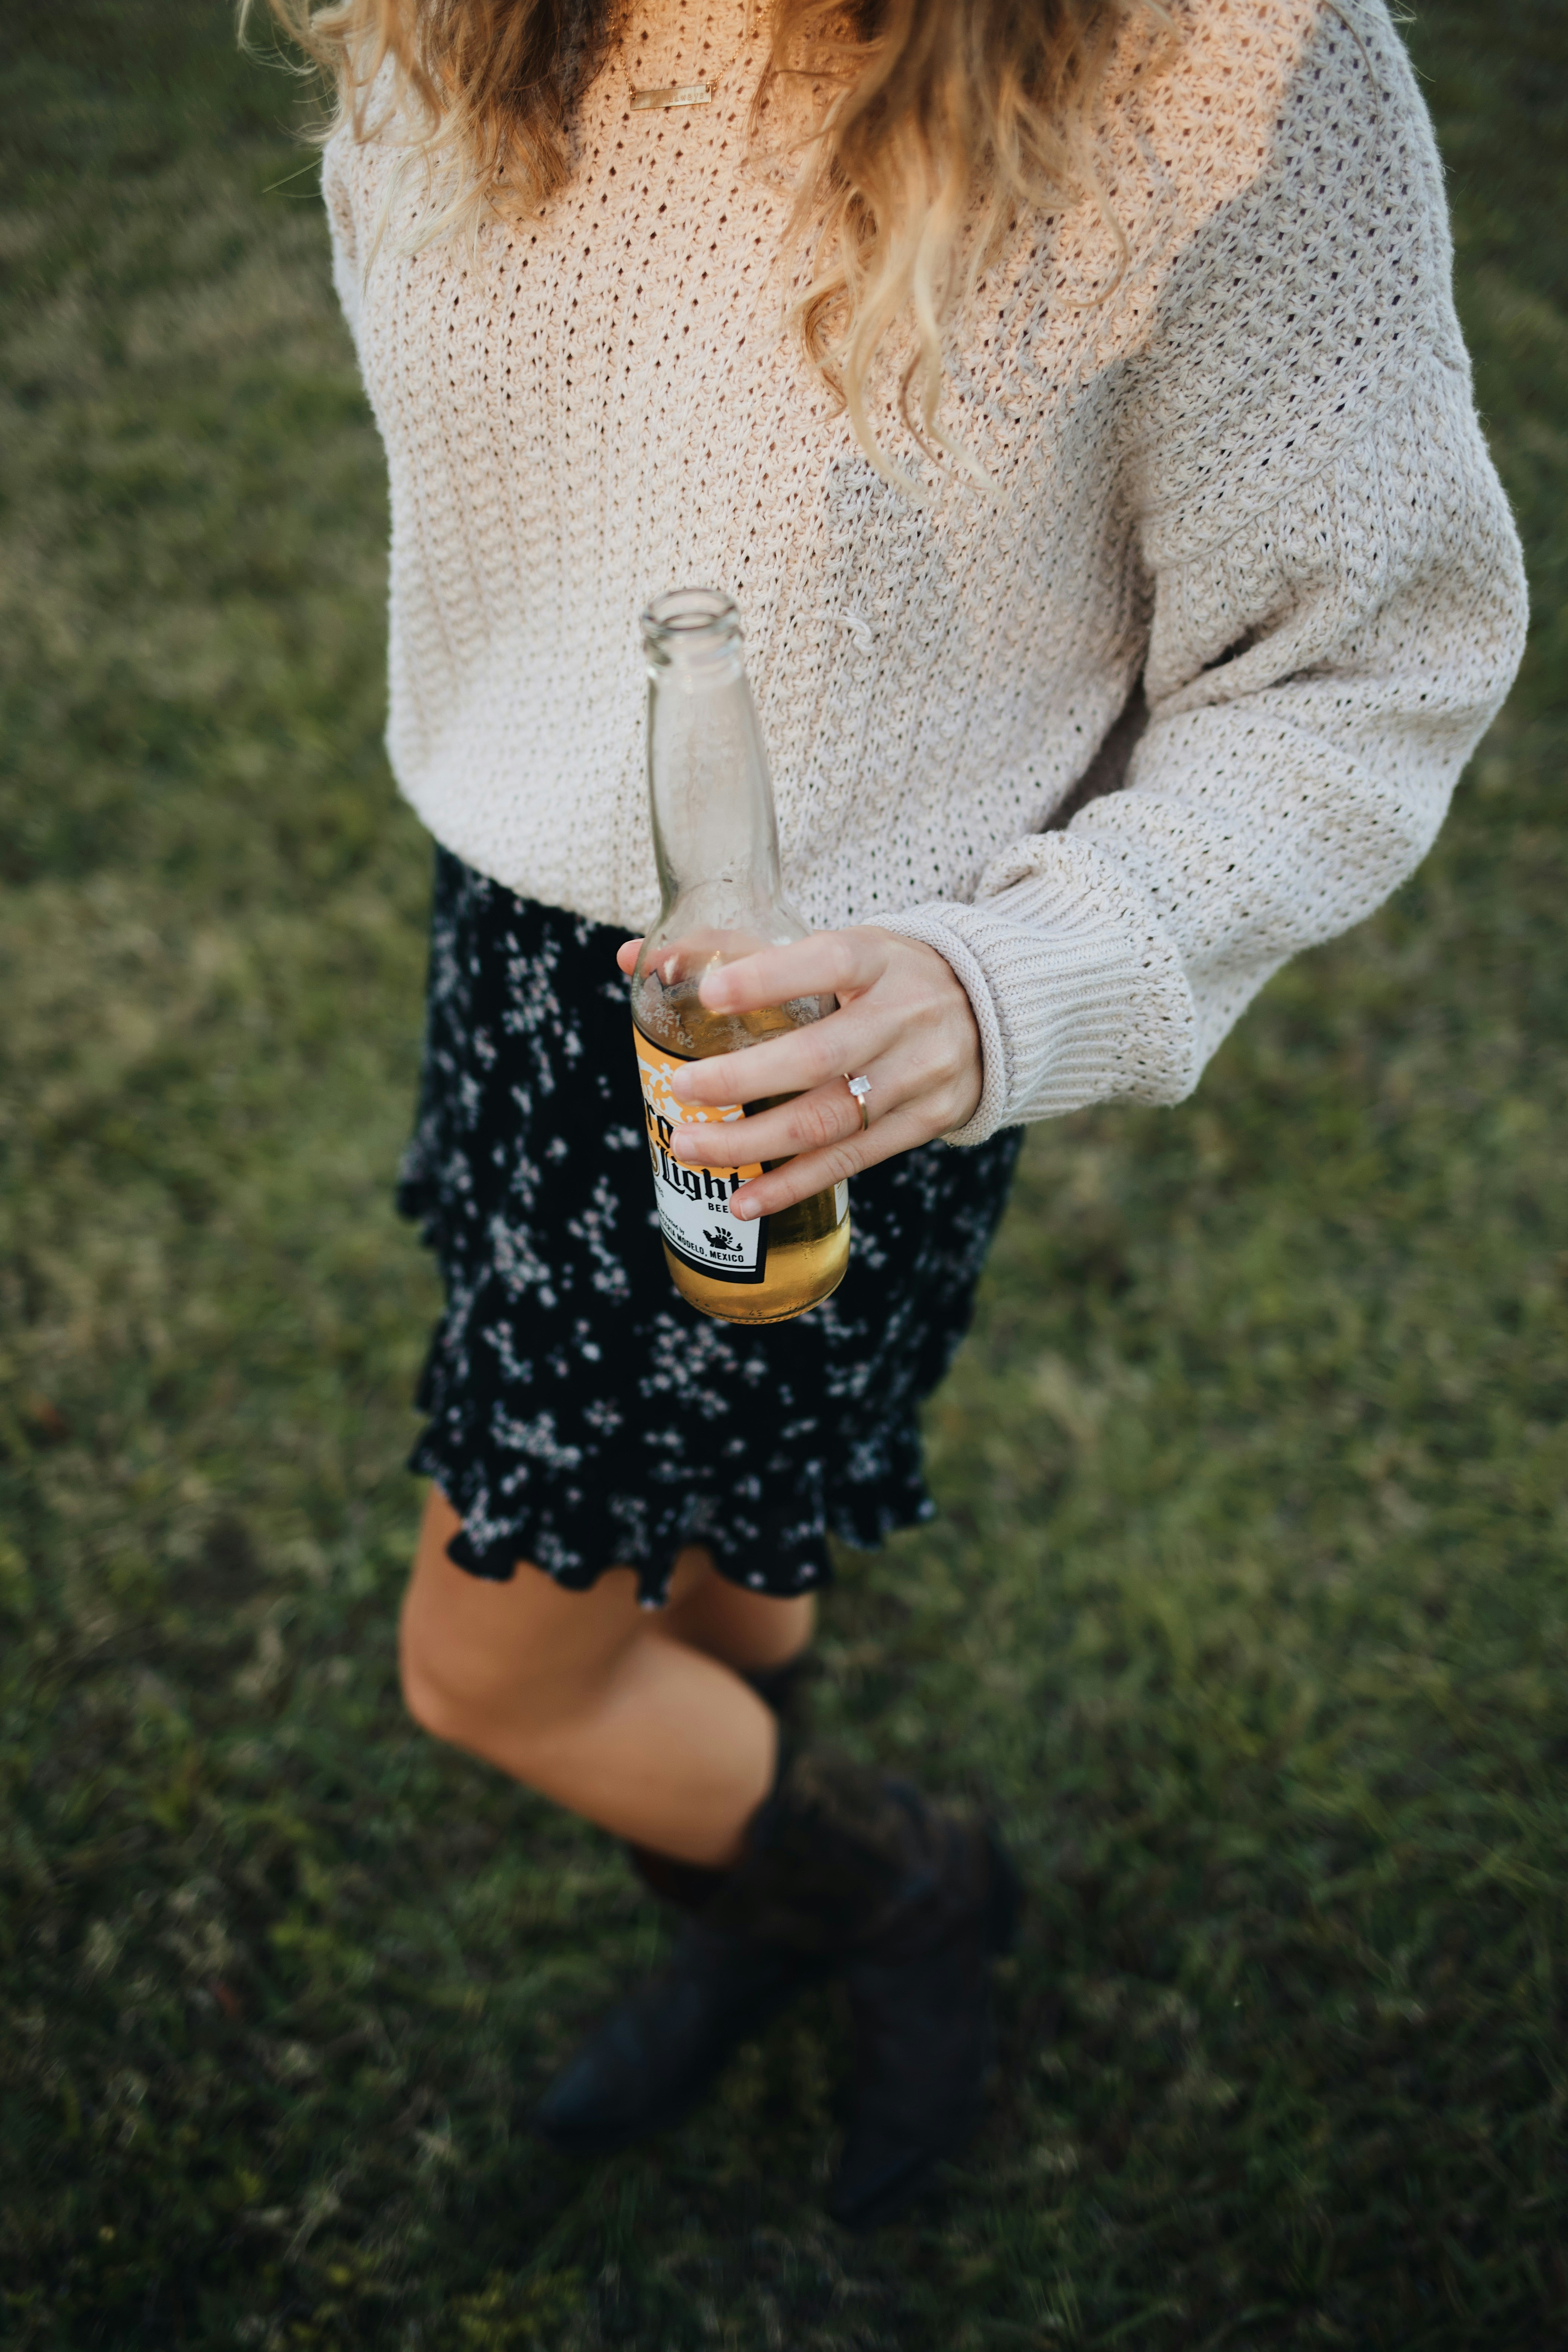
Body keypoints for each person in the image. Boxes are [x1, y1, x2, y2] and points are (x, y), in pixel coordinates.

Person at [257, 0, 1525, 2228]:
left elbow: (1367, 669)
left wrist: (1005, 978)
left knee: (495, 1674)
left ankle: (898, 1893)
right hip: (530, 954)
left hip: (865, 1030)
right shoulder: (453, 18)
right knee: (736, 1558)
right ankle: (754, 1899)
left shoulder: (1233, 71)